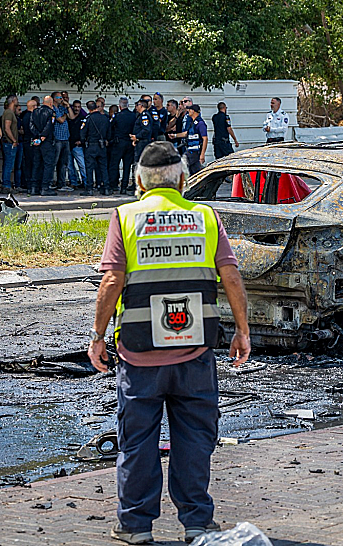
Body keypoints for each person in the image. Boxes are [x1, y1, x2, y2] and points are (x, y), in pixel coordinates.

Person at [87, 141, 251, 545]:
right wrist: (243, 331)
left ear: (139, 181)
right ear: (182, 178)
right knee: (194, 438)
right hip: (195, 353)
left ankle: (135, 527)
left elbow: (111, 280)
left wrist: (97, 336)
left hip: (140, 354)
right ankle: (196, 522)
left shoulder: (125, 217)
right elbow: (230, 276)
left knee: (138, 441)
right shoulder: (205, 217)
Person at [29, 95, 58, 196]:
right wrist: (43, 136)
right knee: (48, 164)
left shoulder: (35, 112)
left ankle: (34, 187)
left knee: (36, 163)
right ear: (51, 103)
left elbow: (31, 125)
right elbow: (49, 125)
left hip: (36, 140)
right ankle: (45, 187)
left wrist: (37, 136)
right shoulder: (51, 113)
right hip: (46, 141)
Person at [81, 100, 111, 196]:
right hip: (102, 145)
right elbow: (109, 132)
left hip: (91, 145)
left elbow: (82, 133)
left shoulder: (88, 119)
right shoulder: (105, 118)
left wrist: (83, 142)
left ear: (89, 109)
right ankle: (106, 188)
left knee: (89, 167)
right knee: (103, 167)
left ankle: (89, 189)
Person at [109, 97, 136, 194]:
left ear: (120, 106)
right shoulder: (133, 116)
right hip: (129, 143)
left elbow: (110, 126)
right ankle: (124, 187)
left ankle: (113, 186)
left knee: (114, 164)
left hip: (118, 143)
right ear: (128, 105)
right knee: (127, 166)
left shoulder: (117, 116)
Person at [172, 104, 207, 175]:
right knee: (195, 172)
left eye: (190, 110)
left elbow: (205, 139)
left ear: (193, 111)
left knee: (183, 165)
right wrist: (175, 135)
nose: (188, 111)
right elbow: (186, 134)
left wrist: (202, 154)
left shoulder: (200, 123)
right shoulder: (192, 123)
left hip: (194, 151)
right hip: (190, 150)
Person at [52, 91, 76, 191]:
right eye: (59, 97)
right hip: (57, 138)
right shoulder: (53, 108)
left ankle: (61, 183)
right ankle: (49, 182)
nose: (61, 98)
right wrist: (65, 115)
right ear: (54, 98)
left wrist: (68, 107)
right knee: (54, 162)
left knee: (63, 163)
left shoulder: (62, 108)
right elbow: (60, 120)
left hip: (66, 138)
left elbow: (72, 117)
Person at [67, 99, 88, 191]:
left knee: (82, 165)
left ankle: (86, 183)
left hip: (78, 145)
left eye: (79, 107)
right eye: (75, 107)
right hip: (68, 144)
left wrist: (81, 141)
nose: (77, 109)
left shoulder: (83, 117)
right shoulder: (69, 117)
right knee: (70, 165)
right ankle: (73, 182)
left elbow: (86, 131)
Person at [0, 95, 19, 193]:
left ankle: (6, 184)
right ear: (12, 101)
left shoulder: (11, 113)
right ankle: (6, 185)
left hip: (9, 143)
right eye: (16, 100)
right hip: (9, 143)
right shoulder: (8, 113)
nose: (18, 101)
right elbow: (7, 128)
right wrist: (14, 140)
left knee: (8, 164)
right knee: (8, 164)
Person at [130, 99, 153, 177]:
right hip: (140, 141)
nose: (136, 107)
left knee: (140, 163)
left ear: (141, 106)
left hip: (143, 143)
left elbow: (146, 129)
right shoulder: (141, 115)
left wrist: (137, 136)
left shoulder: (144, 115)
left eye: (137, 105)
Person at [20, 99, 38, 194]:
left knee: (27, 163)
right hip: (31, 141)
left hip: (26, 141)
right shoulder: (31, 116)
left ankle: (27, 184)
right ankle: (31, 184)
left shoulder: (24, 116)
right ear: (33, 107)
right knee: (32, 163)